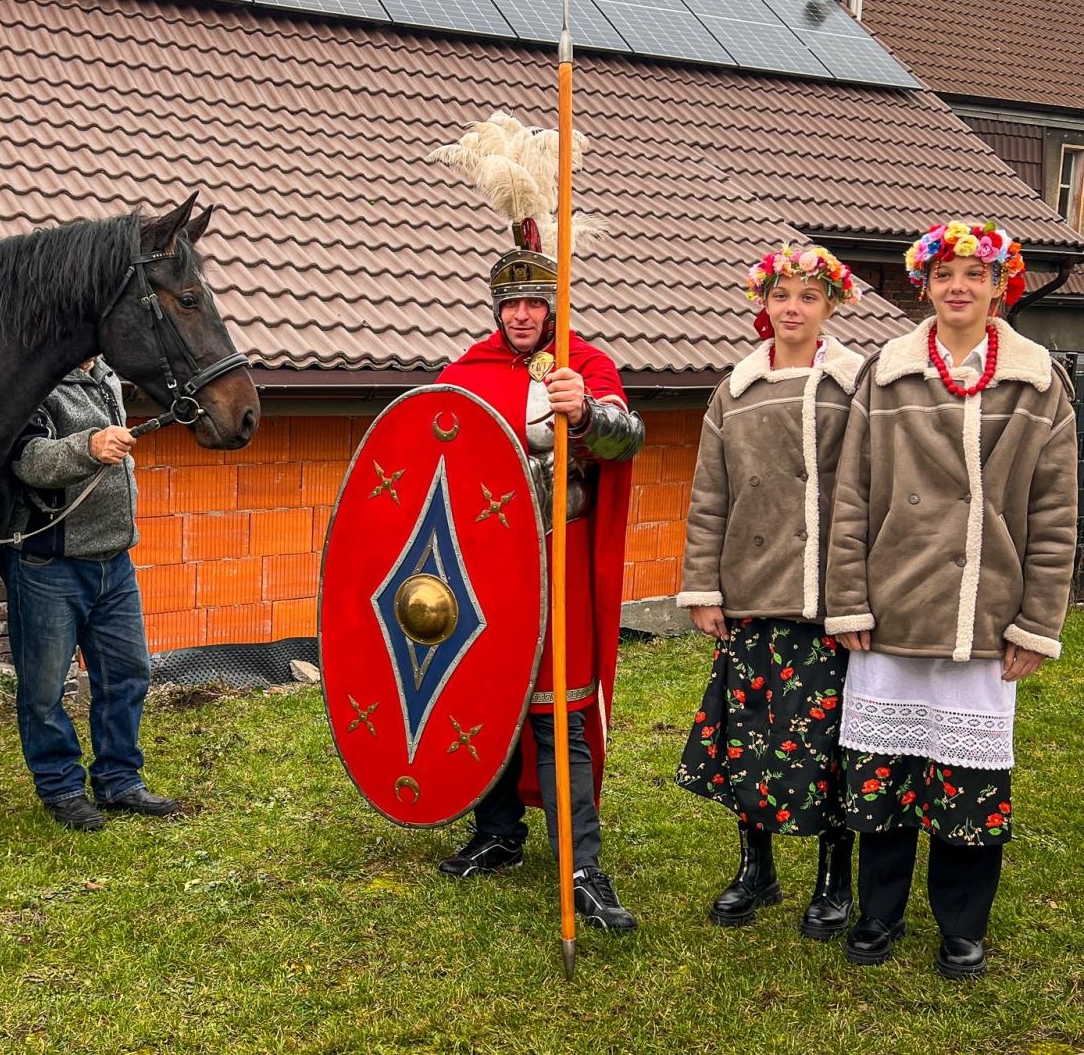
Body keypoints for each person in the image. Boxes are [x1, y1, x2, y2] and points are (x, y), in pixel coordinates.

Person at [825, 221, 1076, 979]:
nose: (958, 286)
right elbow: (851, 494)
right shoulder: (886, 373)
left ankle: (962, 924)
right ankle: (878, 911)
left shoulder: (1038, 381)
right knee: (884, 775)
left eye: (974, 274)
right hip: (894, 603)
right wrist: (848, 598)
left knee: (969, 783)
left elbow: (1056, 512)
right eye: (944, 274)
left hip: (984, 610)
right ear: (924, 285)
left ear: (1001, 286)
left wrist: (1037, 622)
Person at [436, 245, 646, 931]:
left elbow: (627, 439)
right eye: (511, 304)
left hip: (559, 558)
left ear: (553, 307)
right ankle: (497, 832)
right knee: (488, 697)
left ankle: (581, 867)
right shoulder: (467, 372)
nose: (522, 315)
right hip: (484, 563)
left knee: (561, 709)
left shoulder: (585, 365)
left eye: (534, 303)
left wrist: (584, 415)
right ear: (496, 308)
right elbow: (436, 451)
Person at [675, 245, 865, 938]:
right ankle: (756, 868)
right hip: (753, 592)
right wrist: (703, 586)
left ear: (831, 306)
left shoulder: (855, 385)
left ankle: (833, 878)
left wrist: (861, 592)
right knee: (751, 735)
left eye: (808, 296)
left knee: (833, 743)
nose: (793, 308)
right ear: (764, 303)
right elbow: (710, 496)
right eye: (781, 295)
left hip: (827, 596)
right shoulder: (736, 390)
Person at [0, 357, 180, 832]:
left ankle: (119, 780)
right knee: (44, 690)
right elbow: (27, 460)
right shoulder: (31, 379)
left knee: (127, 675)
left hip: (114, 562)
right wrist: (89, 445)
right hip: (48, 563)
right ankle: (61, 788)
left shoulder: (105, 377)